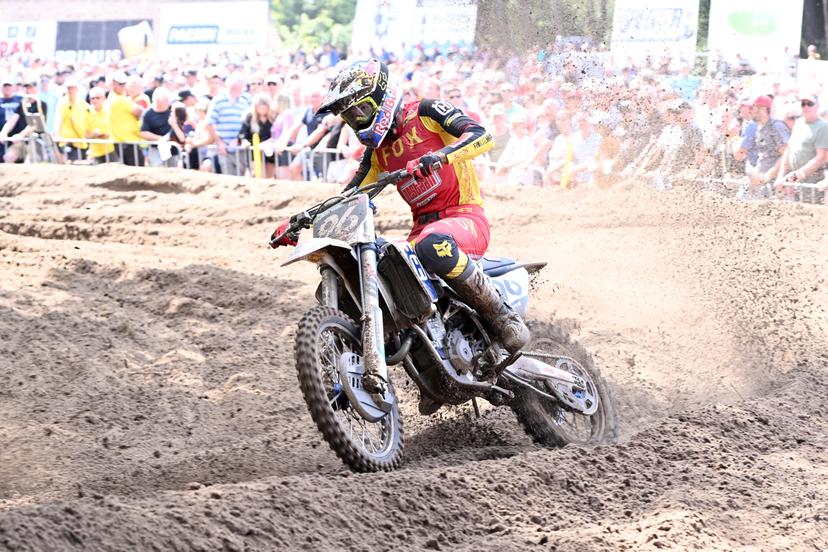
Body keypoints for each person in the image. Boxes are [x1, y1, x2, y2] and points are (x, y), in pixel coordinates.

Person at [269, 59, 530, 394]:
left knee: (432, 244)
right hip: (420, 232)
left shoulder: (426, 112)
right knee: (385, 270)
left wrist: (441, 156)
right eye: (350, 117)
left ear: (382, 98)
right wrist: (300, 220)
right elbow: (349, 195)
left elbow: (482, 135)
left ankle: (503, 317)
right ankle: (432, 371)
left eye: (361, 110)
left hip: (464, 217)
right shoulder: (377, 153)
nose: (357, 120)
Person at [775, 93, 828, 201]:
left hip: (813, 181)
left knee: (811, 209)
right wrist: (780, 176)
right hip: (793, 179)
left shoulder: (823, 127)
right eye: (803, 104)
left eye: (810, 104)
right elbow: (788, 150)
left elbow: (821, 157)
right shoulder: (798, 123)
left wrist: (800, 174)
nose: (806, 107)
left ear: (817, 106)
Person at [85, 86, 118, 164]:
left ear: (104, 98)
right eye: (92, 98)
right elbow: (86, 134)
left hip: (111, 150)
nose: (95, 100)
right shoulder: (87, 113)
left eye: (98, 98)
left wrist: (109, 135)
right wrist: (93, 135)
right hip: (95, 153)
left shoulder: (110, 111)